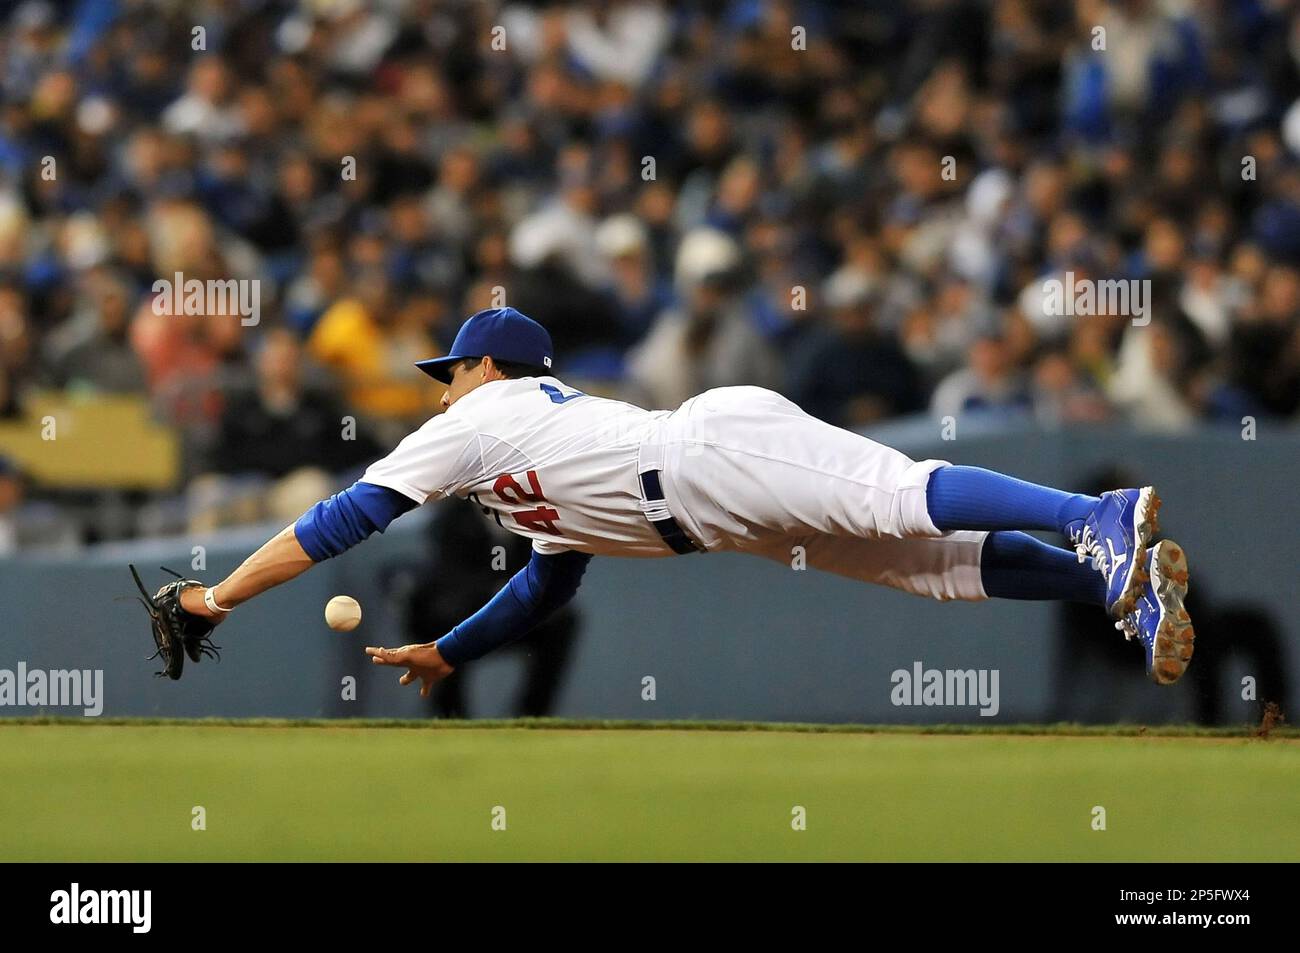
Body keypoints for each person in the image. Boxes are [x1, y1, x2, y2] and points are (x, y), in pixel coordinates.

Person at [156, 308, 1195, 692]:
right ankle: (1114, 583)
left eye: (452, 367)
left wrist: (220, 597)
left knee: (903, 496)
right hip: (719, 514)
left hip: (711, 453)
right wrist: (451, 650)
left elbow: (343, 521)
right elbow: (543, 588)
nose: (445, 381)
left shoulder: (481, 418)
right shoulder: (519, 455)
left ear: (485, 367)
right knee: (938, 566)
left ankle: (1091, 516)